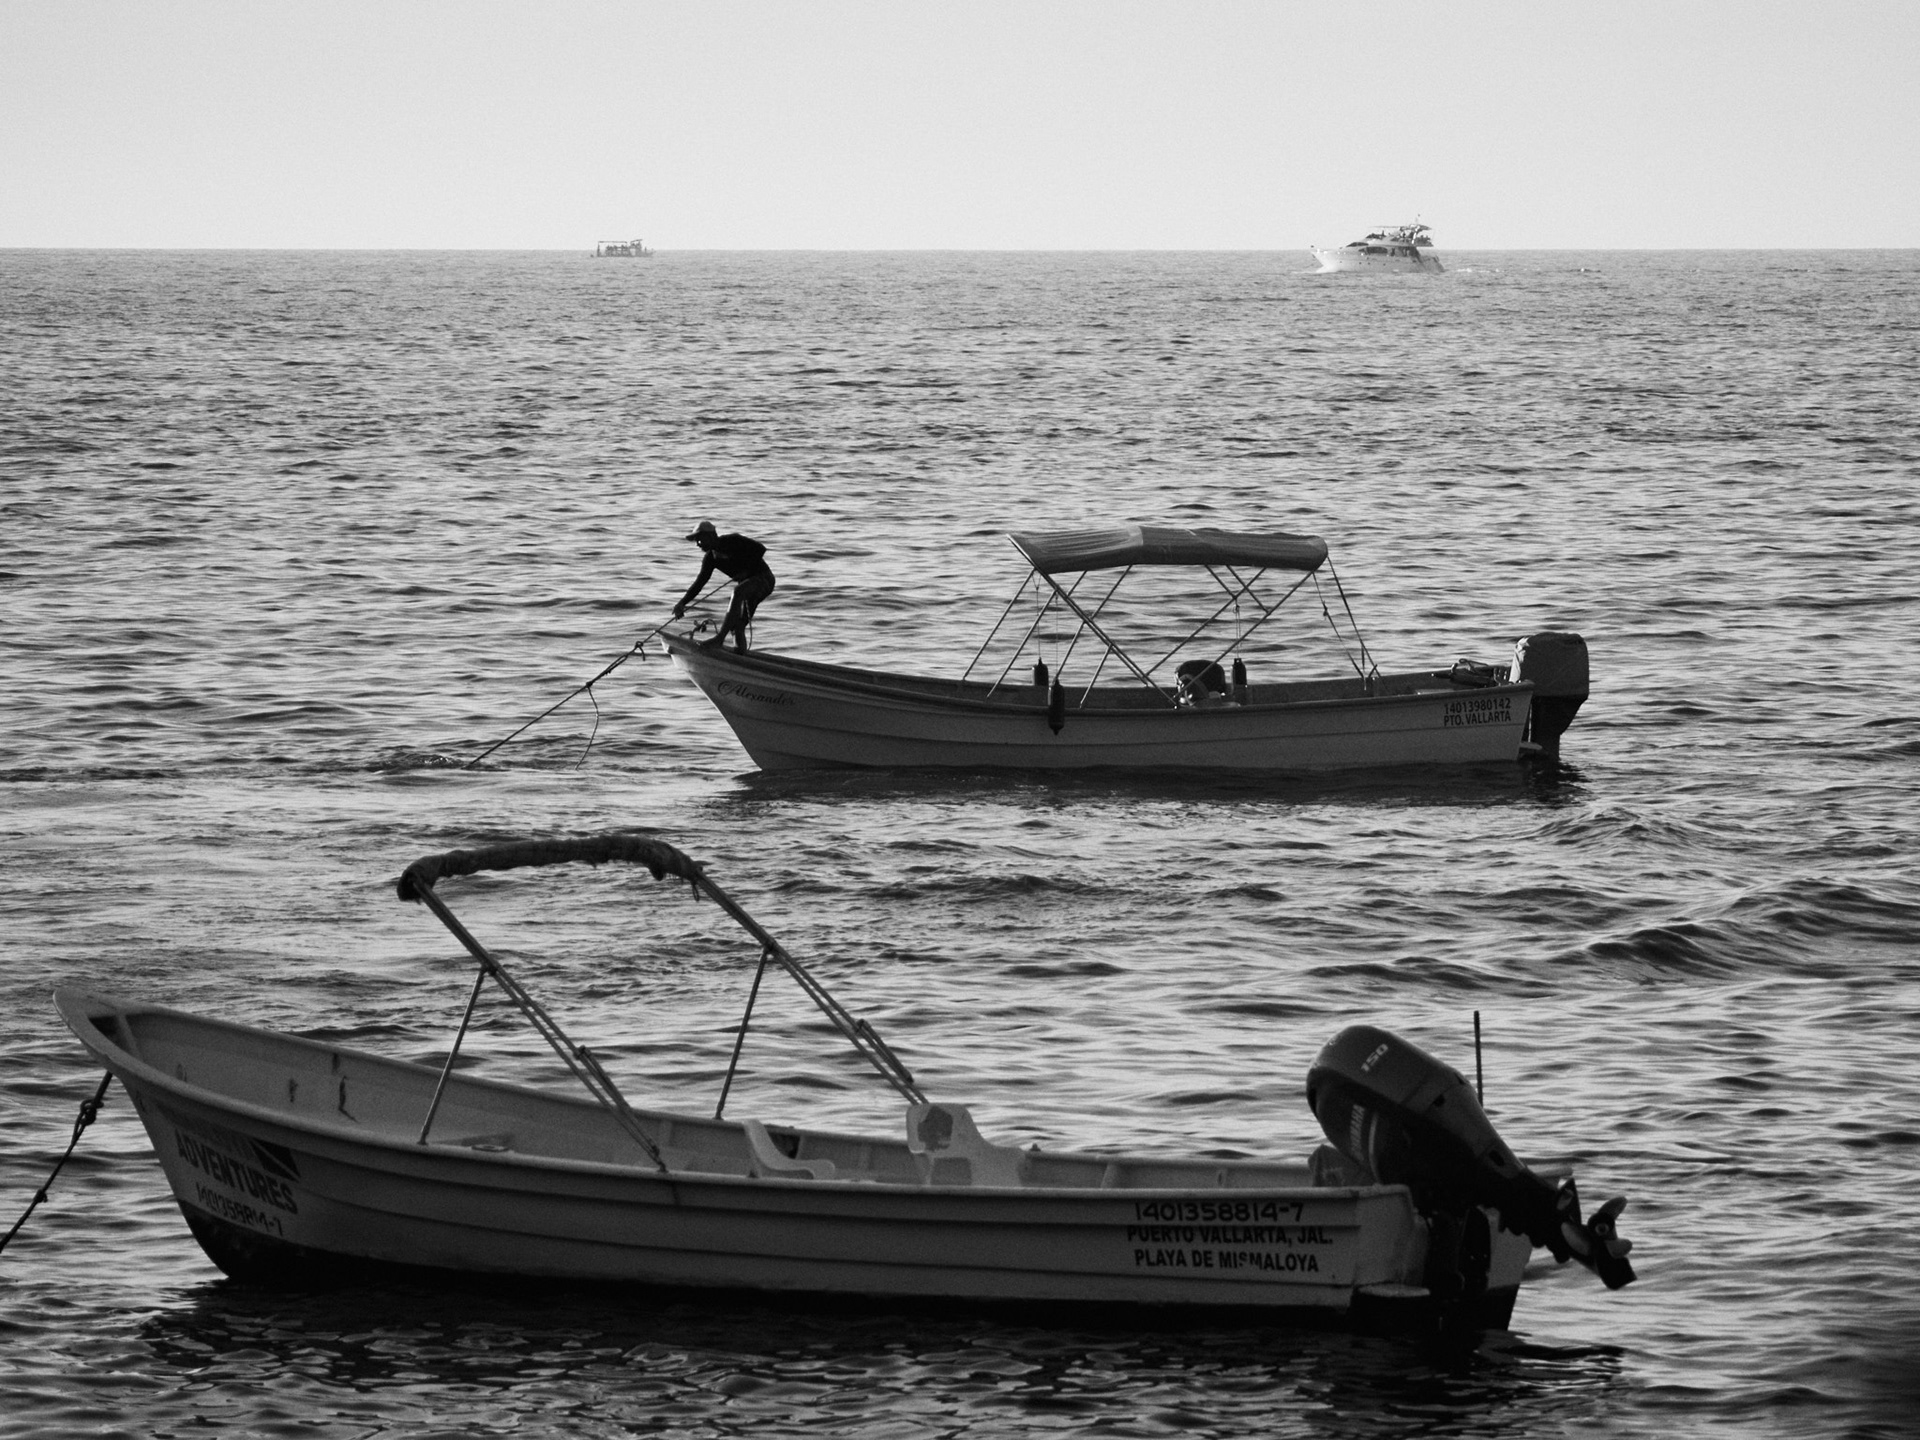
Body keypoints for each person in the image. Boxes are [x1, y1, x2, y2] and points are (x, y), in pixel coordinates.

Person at [674, 520, 776, 653]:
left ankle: (719, 639)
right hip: (748, 586)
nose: (698, 544)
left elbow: (760, 549)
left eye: (699, 539)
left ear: (711, 536)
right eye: (696, 541)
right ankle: (740, 657)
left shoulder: (732, 541)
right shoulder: (710, 558)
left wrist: (747, 570)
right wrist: (682, 603)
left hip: (764, 579)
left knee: (737, 592)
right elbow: (700, 582)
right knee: (737, 626)